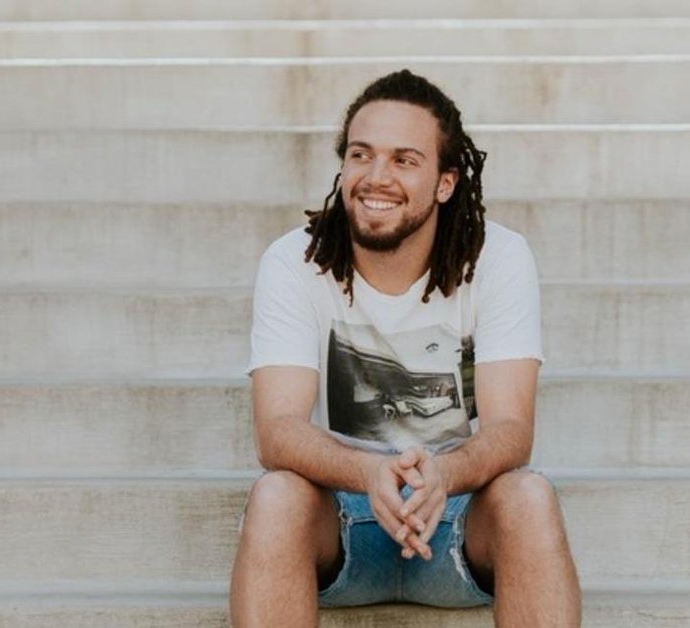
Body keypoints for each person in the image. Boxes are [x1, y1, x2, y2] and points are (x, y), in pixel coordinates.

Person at [229, 69, 581, 627]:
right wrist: (371, 473)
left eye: (404, 160)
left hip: (457, 514)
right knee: (277, 496)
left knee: (528, 497)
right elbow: (277, 432)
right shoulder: (295, 260)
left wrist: (443, 475)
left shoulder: (498, 257)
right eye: (361, 155)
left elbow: (512, 430)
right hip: (341, 516)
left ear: (445, 182)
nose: (377, 177)